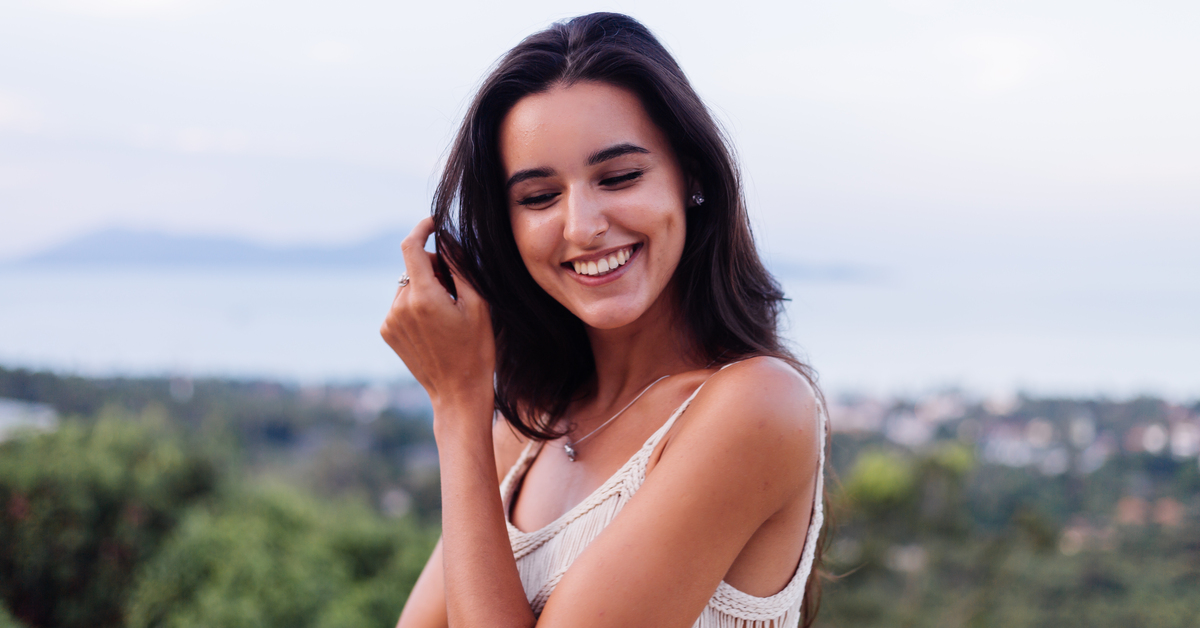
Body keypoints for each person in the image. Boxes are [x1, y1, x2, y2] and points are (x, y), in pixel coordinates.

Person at [381, 12, 826, 628]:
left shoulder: (758, 406)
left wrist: (458, 402)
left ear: (690, 177)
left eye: (619, 178)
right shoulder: (527, 428)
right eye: (539, 197)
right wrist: (471, 413)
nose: (582, 226)